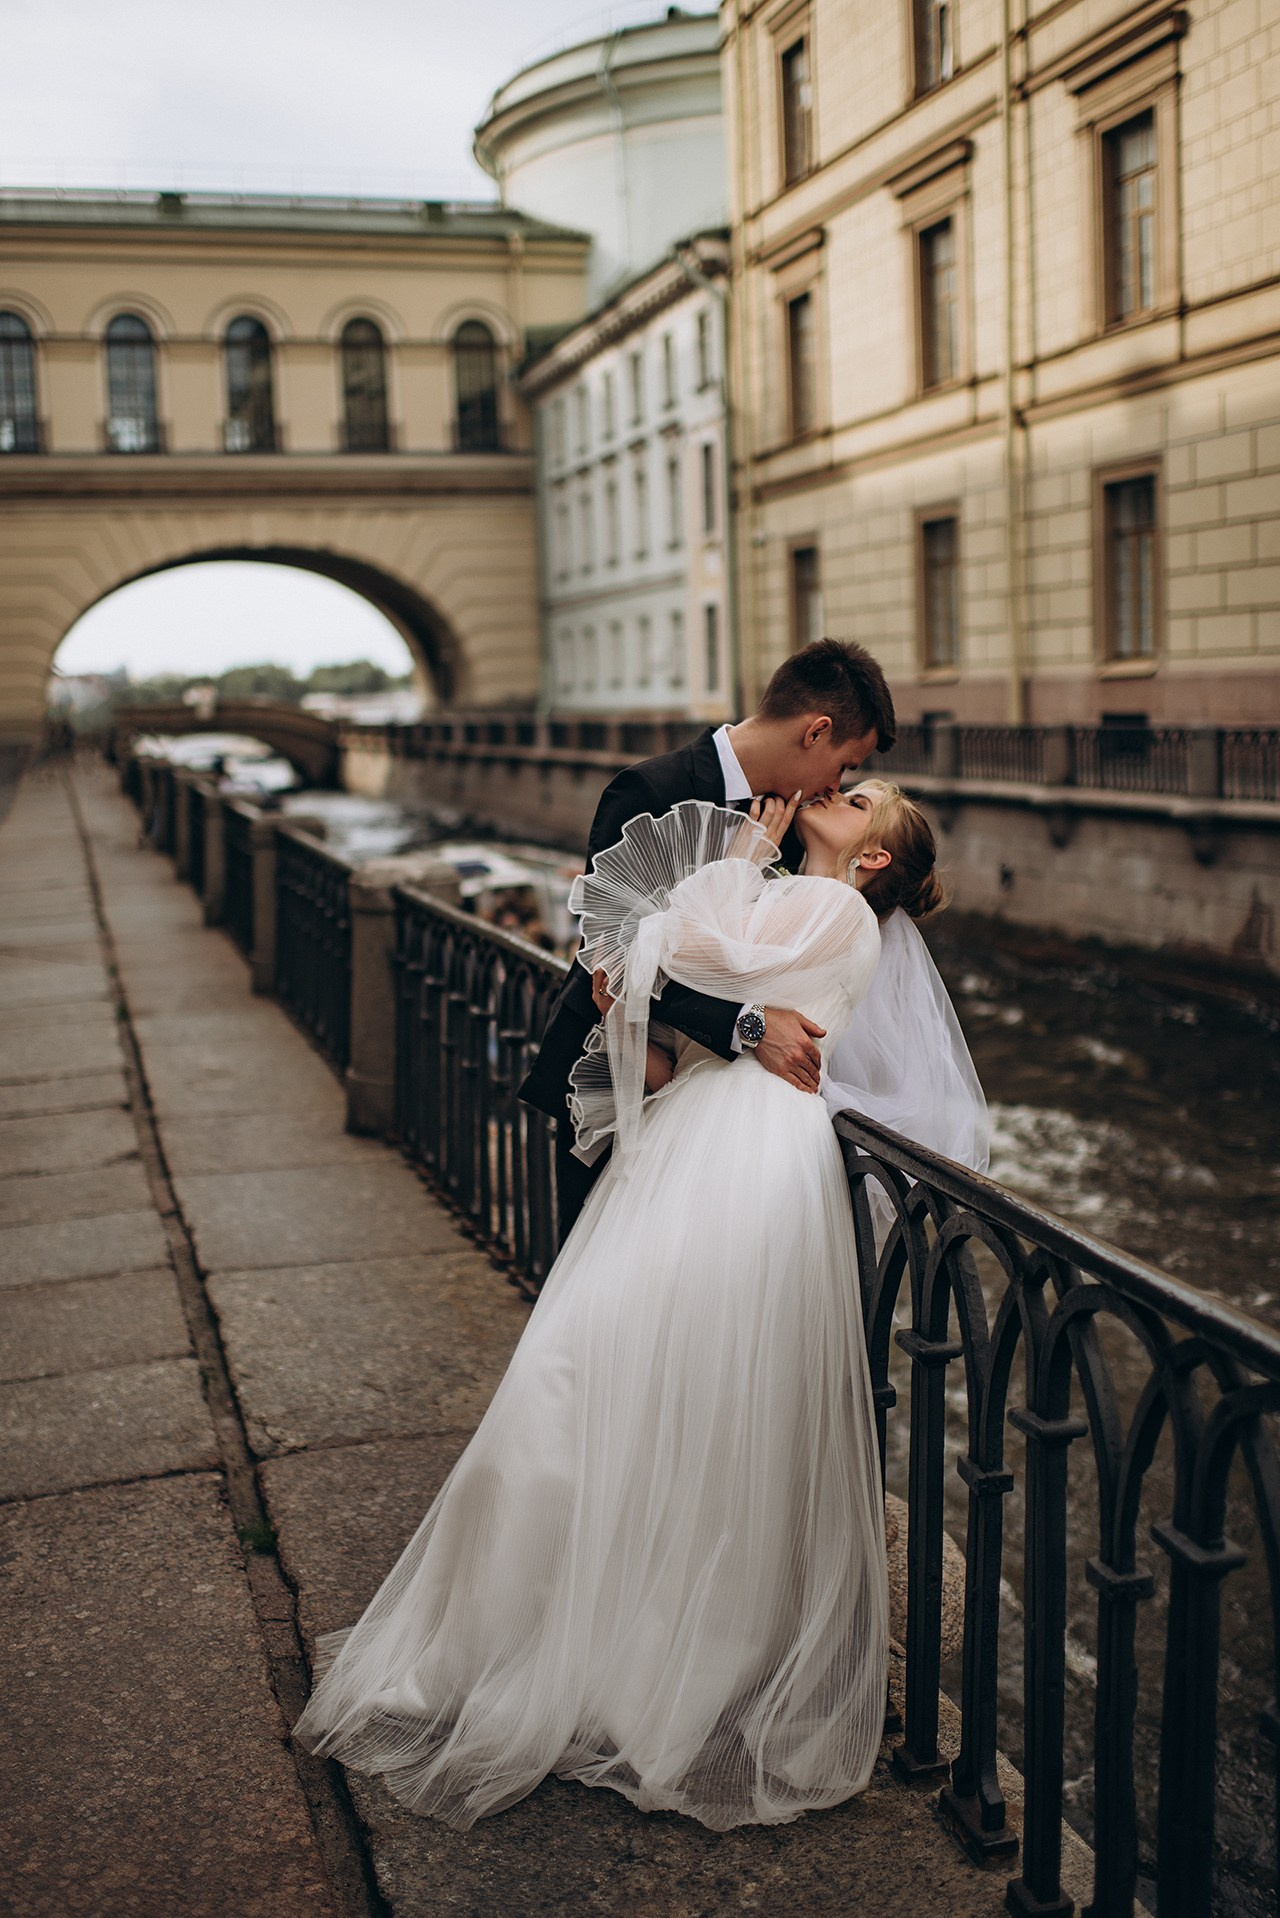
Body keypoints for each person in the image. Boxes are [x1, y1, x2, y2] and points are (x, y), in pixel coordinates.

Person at [293, 771, 947, 1833]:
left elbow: (676, 954)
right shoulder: (798, 896)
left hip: (743, 1160)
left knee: (607, 1370)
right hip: (712, 1139)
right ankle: (565, 1631)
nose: (836, 790)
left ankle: (608, 1649)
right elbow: (675, 967)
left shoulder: (831, 909)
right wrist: (691, 912)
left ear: (870, 854)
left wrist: (730, 861)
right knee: (622, 1376)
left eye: (857, 794)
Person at [518, 638, 897, 1242]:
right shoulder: (648, 789)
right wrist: (747, 1024)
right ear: (816, 731)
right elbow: (612, 957)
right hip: (618, 1072)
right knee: (600, 1290)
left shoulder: (799, 823)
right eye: (846, 763)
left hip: (717, 1109)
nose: (838, 781)